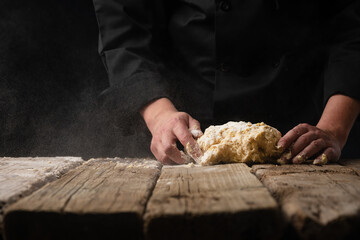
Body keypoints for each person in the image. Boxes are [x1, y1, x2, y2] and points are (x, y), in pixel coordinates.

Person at [92, 0, 360, 165]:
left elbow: (353, 24)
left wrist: (334, 129)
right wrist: (160, 116)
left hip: (303, 134)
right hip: (184, 132)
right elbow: (123, 29)